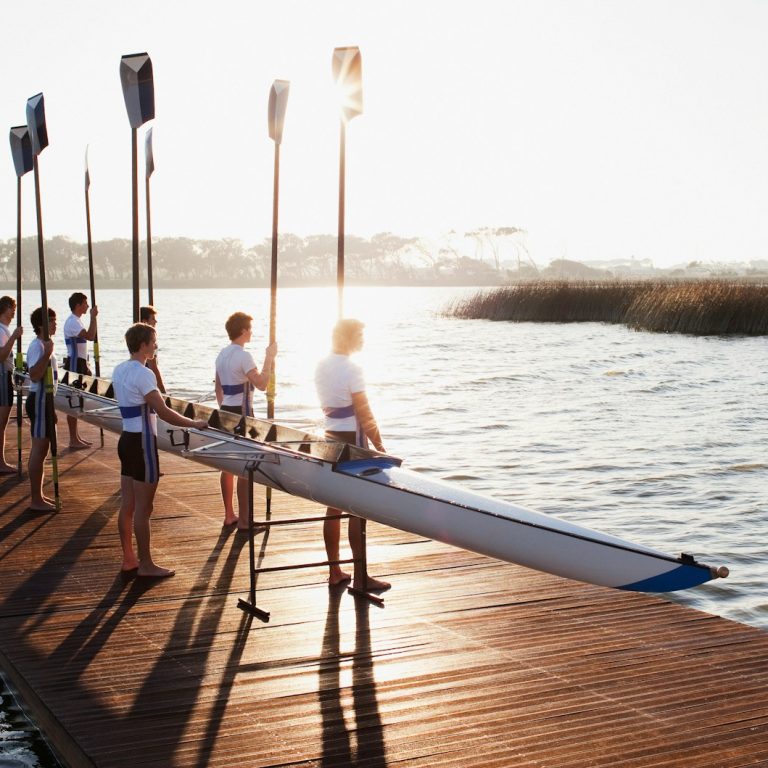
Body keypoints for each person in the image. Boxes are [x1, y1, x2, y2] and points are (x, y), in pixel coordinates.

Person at [113, 322, 208, 577]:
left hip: (126, 440)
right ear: (143, 345)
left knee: (128, 504)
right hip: (143, 443)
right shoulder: (144, 374)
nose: (156, 346)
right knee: (144, 509)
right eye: (153, 342)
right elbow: (163, 412)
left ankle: (129, 559)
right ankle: (146, 565)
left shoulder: (119, 369)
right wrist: (194, 423)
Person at [315, 318, 390, 591]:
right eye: (359, 336)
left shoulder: (321, 365)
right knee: (357, 508)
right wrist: (380, 447)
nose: (362, 341)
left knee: (334, 505)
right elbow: (364, 413)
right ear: (347, 338)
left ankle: (335, 571)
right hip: (352, 442)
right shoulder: (352, 369)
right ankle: (360, 577)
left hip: (330, 438)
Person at [214, 311, 277, 528]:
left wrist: (224, 410)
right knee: (245, 466)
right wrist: (269, 358)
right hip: (243, 415)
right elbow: (261, 384)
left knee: (227, 465)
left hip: (225, 412)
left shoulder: (221, 355)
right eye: (250, 329)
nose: (252, 332)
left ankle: (229, 514)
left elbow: (218, 388)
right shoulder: (244, 356)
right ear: (243, 331)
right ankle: (244, 520)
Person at [26, 306, 59, 511]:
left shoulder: (44, 344)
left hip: (46, 401)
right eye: (51, 320)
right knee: (39, 450)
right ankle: (35, 499)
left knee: (44, 449)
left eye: (55, 320)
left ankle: (39, 495)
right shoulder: (37, 346)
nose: (55, 324)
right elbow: (34, 375)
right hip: (38, 399)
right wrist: (47, 353)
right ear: (41, 325)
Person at [63, 291, 98, 448]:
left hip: (80, 363)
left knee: (77, 399)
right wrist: (93, 317)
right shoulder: (73, 321)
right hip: (75, 363)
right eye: (85, 303)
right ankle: (73, 439)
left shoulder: (76, 321)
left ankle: (76, 437)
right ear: (78, 305)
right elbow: (90, 336)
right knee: (74, 398)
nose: (88, 306)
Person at [0, 296, 23, 474]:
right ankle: (0, 462)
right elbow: (1, 356)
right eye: (12, 307)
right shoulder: (1, 330)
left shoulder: (4, 329)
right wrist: (14, 337)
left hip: (6, 375)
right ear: (4, 309)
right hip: (2, 376)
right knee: (1, 423)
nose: (14, 310)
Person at [139, 305, 166, 393]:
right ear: (144, 321)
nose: (156, 321)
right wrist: (163, 391)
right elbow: (153, 366)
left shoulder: (136, 338)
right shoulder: (149, 342)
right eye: (153, 318)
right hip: (147, 383)